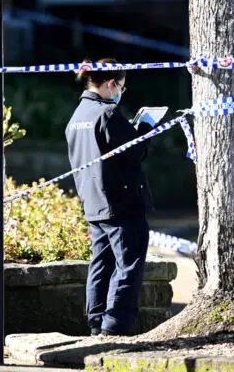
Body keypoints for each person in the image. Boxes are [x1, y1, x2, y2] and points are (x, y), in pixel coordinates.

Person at [65, 58, 158, 336]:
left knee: (101, 265)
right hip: (121, 201)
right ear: (110, 84)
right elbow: (135, 153)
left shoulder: (78, 115)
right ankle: (115, 325)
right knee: (128, 265)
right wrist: (145, 128)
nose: (121, 92)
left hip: (94, 202)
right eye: (122, 86)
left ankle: (96, 322)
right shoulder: (105, 113)